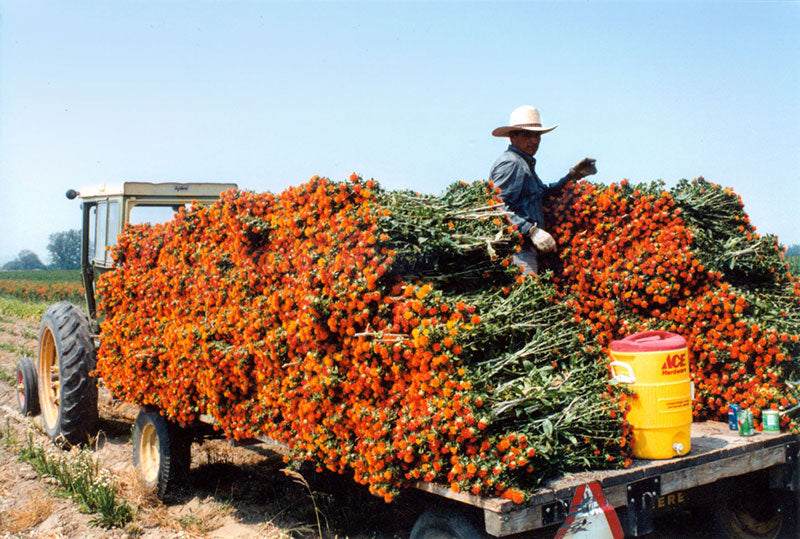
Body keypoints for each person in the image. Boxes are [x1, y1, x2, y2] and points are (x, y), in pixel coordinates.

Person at [490, 105, 597, 274]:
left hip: (526, 249)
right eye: (527, 135)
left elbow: (542, 195)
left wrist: (571, 176)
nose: (534, 141)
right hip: (517, 250)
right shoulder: (512, 163)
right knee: (527, 297)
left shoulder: (524, 164)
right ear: (513, 137)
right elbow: (496, 207)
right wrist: (531, 231)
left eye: (537, 135)